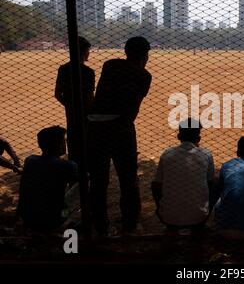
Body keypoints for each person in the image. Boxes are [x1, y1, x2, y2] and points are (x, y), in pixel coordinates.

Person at [88, 36, 152, 236]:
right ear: (146, 55)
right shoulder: (144, 76)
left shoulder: (110, 65)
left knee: (98, 179)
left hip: (95, 126)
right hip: (120, 127)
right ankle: (130, 224)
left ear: (125, 51)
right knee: (128, 178)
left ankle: (100, 226)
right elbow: (132, 108)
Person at [152, 118, 215, 230]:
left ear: (178, 136)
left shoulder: (167, 154)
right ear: (198, 137)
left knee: (155, 184)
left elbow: (157, 185)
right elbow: (210, 183)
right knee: (215, 183)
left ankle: (169, 221)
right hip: (199, 217)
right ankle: (199, 223)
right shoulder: (206, 154)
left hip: (169, 217)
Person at [17, 126, 78, 233]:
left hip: (26, 217)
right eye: (63, 141)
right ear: (60, 145)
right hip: (53, 220)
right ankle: (65, 217)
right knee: (85, 182)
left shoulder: (30, 160)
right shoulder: (67, 165)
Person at [55, 36, 95, 164]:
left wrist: (69, 105)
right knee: (88, 144)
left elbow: (57, 94)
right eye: (88, 50)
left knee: (73, 140)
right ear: (83, 52)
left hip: (71, 113)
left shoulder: (63, 69)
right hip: (86, 114)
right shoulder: (88, 72)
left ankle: (75, 170)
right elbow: (89, 97)